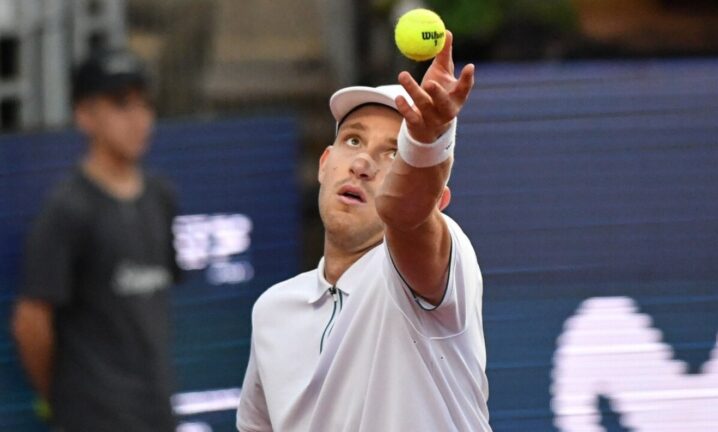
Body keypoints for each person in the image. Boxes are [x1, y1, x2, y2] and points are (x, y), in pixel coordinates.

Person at [237, 31, 491, 431]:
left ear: (437, 203)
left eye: (393, 151)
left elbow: (405, 214)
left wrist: (424, 144)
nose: (362, 163)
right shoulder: (272, 310)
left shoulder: (430, 271)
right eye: (353, 139)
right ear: (324, 164)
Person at [11, 48, 179, 431]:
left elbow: (153, 311)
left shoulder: (160, 197)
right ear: (85, 116)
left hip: (156, 413)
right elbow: (30, 322)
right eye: (121, 105)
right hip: (91, 417)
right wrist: (66, 400)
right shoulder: (66, 210)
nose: (139, 119)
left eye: (144, 105)